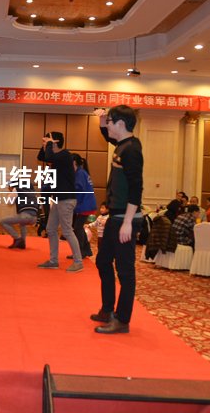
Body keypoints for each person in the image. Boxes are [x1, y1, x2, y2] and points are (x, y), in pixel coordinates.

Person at [91, 105, 143, 334]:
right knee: (103, 261)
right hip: (116, 216)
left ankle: (122, 320)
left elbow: (136, 188)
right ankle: (107, 309)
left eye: (111, 121)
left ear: (121, 123)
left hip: (125, 218)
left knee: (125, 271)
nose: (108, 125)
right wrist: (102, 118)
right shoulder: (122, 145)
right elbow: (107, 134)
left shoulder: (131, 150)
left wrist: (128, 222)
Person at [36, 131, 84, 272]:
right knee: (51, 229)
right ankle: (53, 261)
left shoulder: (64, 155)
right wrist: (45, 145)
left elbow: (49, 157)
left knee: (67, 231)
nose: (45, 142)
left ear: (55, 142)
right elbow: (41, 157)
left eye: (48, 140)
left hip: (66, 199)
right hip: (58, 199)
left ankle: (78, 262)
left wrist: (49, 144)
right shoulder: (56, 157)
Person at [72, 154, 97, 259]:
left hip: (84, 205)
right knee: (79, 228)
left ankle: (81, 252)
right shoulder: (82, 172)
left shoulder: (80, 174)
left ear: (74, 162)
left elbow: (78, 190)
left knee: (77, 228)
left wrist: (74, 203)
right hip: (86, 204)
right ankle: (86, 250)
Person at [0, 184, 39, 249]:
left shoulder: (16, 189)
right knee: (22, 223)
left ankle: (17, 238)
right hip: (34, 218)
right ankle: (22, 243)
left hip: (25, 216)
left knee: (3, 221)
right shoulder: (32, 192)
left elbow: (9, 202)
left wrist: (11, 192)